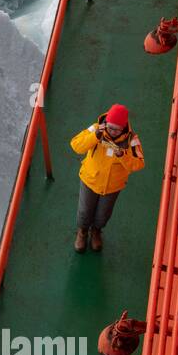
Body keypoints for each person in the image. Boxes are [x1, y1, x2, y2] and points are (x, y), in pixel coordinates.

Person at [69, 103, 145, 253]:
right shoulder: (96, 128)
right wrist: (95, 137)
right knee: (84, 211)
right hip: (90, 180)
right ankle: (82, 232)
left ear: (123, 127)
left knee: (103, 214)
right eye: (110, 127)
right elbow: (76, 145)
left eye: (117, 129)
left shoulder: (132, 140)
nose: (113, 131)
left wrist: (122, 156)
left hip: (112, 186)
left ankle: (96, 232)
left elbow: (138, 164)